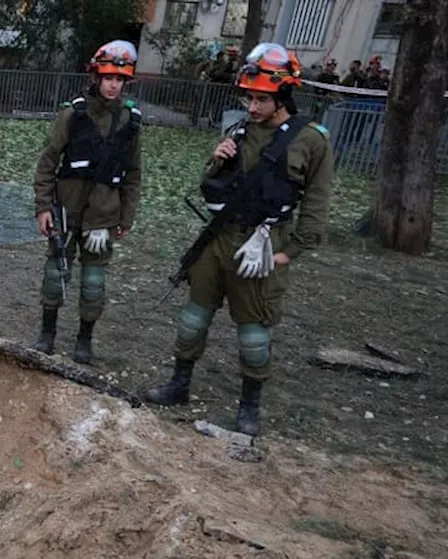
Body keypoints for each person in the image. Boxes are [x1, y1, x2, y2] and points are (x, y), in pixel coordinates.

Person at [144, 43, 334, 437]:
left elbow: (316, 204)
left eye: (261, 99)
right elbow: (208, 186)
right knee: (193, 316)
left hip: (265, 241)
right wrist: (217, 158)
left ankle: (250, 405)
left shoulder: (311, 140)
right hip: (220, 237)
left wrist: (287, 254)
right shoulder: (240, 130)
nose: (251, 106)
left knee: (253, 330)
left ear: (283, 96)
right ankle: (179, 384)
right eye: (248, 97)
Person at [29, 40, 144, 364]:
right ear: (96, 77)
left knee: (94, 283)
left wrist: (124, 218)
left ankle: (84, 341)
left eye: (119, 79)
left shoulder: (131, 121)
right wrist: (42, 207)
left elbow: (134, 175)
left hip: (103, 217)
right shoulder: (73, 114)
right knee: (55, 274)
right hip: (66, 210)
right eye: (108, 77)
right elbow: (48, 162)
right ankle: (46, 335)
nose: (113, 84)